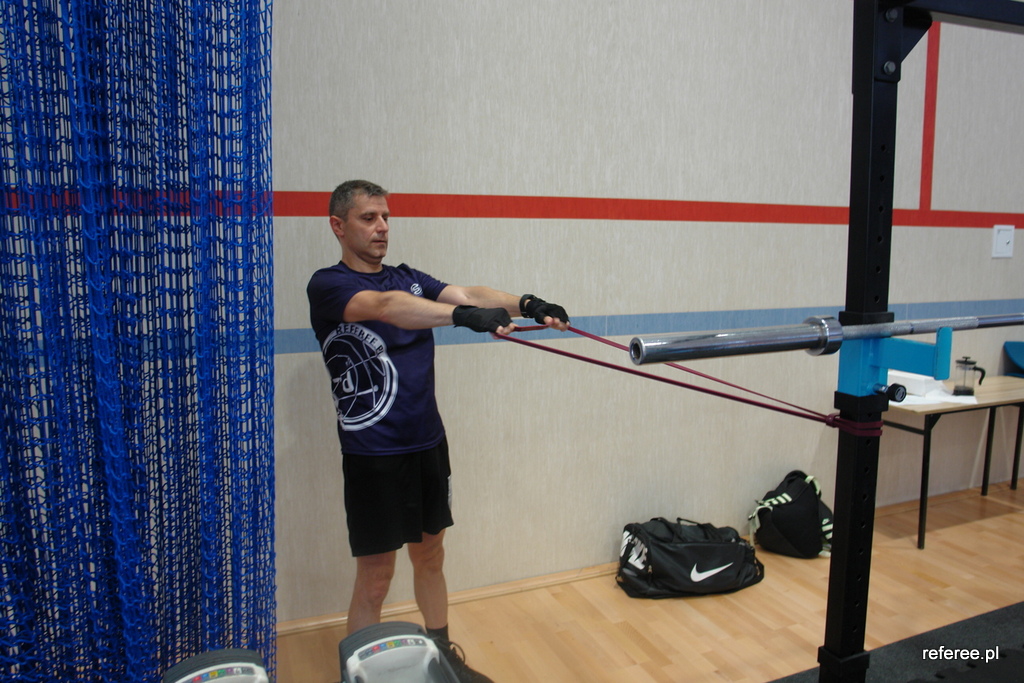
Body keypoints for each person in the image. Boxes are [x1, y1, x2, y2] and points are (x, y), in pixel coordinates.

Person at [307, 179, 569, 682]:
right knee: (376, 577)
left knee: (430, 556)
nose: (382, 227)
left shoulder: (408, 277)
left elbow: (468, 294)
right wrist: (464, 316)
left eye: (386, 216)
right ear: (338, 225)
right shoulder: (329, 285)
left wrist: (528, 303)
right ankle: (357, 675)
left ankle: (444, 658)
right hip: (373, 454)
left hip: (428, 442)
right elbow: (386, 308)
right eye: (368, 218)